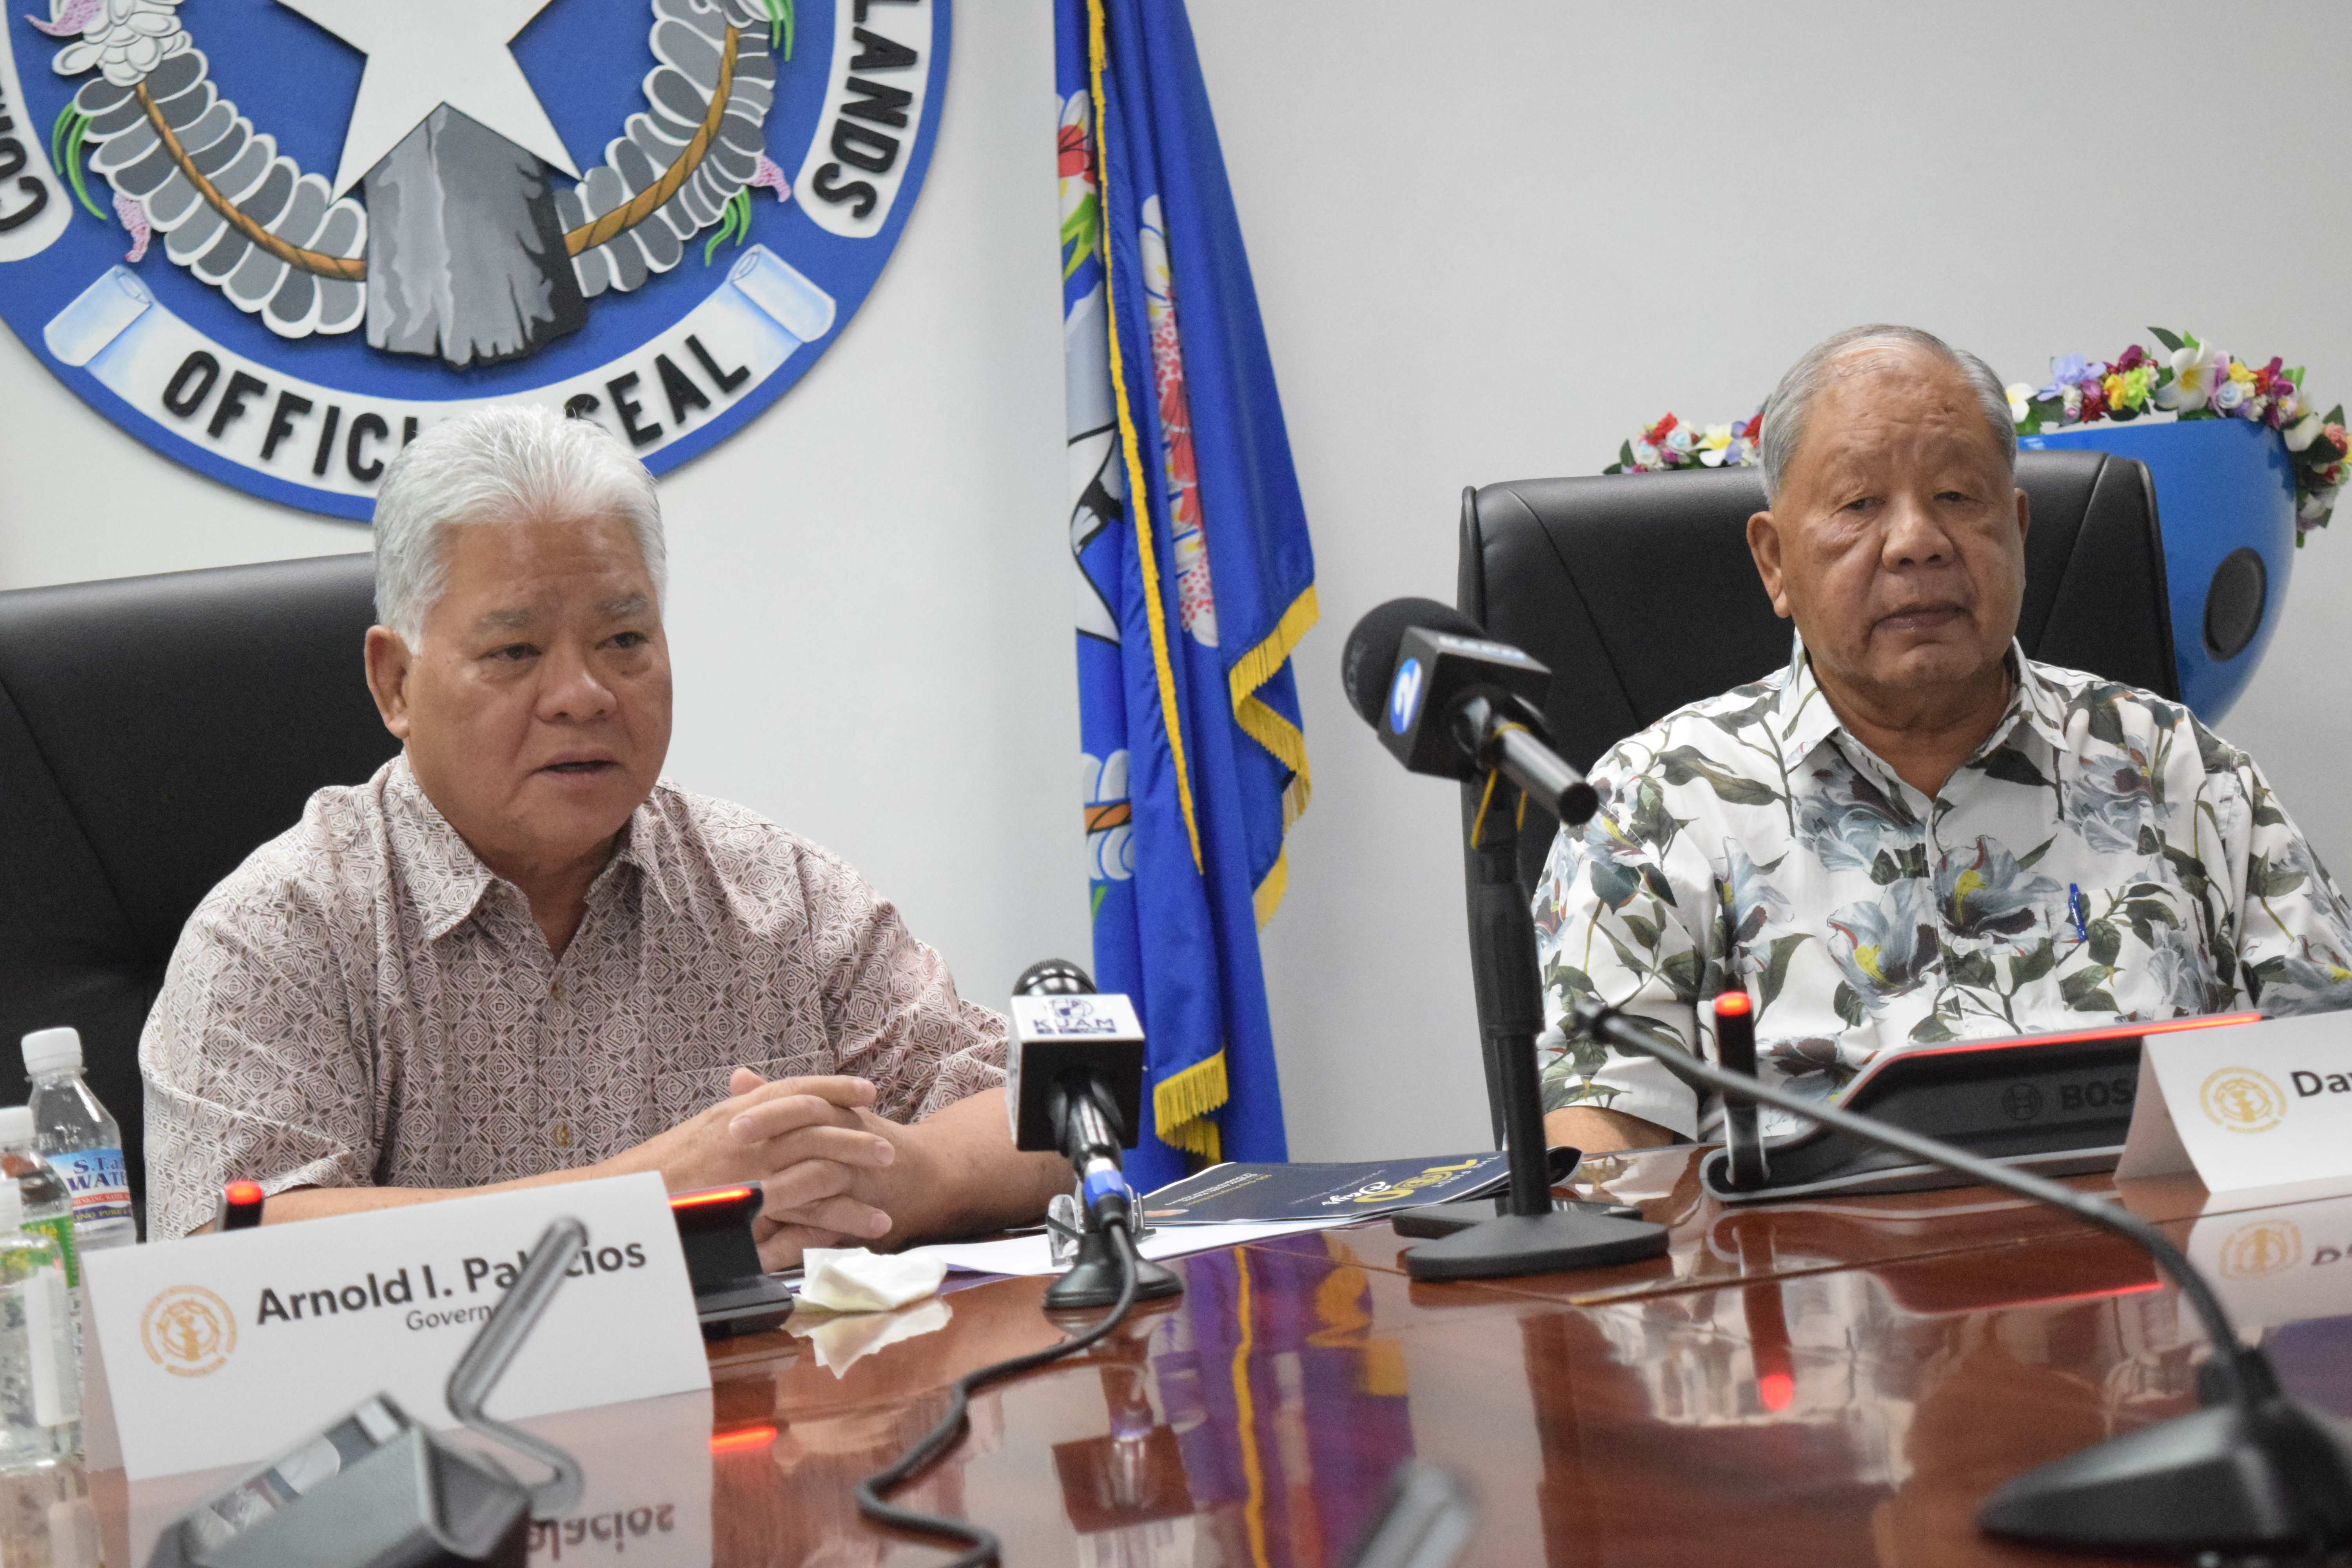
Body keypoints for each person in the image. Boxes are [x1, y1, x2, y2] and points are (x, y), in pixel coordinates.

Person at [140, 405, 1070, 1257]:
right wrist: (647, 1202)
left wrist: (896, 1178)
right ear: (394, 683)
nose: (583, 694)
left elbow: (1041, 1123)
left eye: (625, 640)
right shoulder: (278, 933)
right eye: (515, 651)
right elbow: (223, 1250)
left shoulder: (772, 890)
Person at [1537, 324, 2352, 1154]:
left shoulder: (2183, 771)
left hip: (2159, 1267)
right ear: (1775, 562)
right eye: (1859, 504)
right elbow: (1602, 1148)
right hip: (1802, 1278)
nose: (1917, 540)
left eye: (1959, 497)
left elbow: (2333, 1075)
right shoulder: (1651, 805)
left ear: (2019, 532)